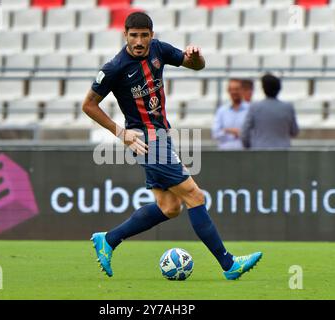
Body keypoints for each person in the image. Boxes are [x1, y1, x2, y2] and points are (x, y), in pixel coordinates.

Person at [82, 12, 262, 280]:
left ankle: (109, 239)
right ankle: (229, 265)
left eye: (144, 35)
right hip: (147, 140)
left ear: (151, 35)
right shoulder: (115, 68)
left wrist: (195, 56)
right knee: (195, 196)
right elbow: (88, 105)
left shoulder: (159, 50)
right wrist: (121, 133)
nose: (140, 41)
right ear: (125, 35)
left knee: (170, 207)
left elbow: (196, 66)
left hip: (162, 136)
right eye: (134, 35)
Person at [241, 73, 299, 149]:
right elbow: (294, 131)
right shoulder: (288, 107)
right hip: (282, 152)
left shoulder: (255, 107)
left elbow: (245, 132)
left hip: (260, 150)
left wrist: (249, 146)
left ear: (263, 89)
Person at [212, 79, 250, 150]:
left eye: (236, 89)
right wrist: (230, 131)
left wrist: (227, 130)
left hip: (244, 153)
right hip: (225, 153)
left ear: (242, 90)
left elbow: (253, 133)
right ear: (228, 91)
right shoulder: (222, 111)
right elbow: (215, 134)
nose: (234, 92)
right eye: (231, 89)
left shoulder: (250, 109)